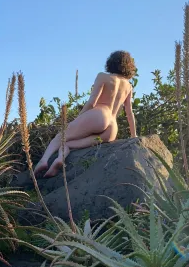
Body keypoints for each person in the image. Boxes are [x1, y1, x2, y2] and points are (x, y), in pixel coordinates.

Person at [35, 50, 137, 178]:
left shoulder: (103, 76)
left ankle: (43, 161)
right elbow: (129, 112)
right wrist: (134, 136)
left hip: (100, 115)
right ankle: (59, 159)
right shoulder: (128, 86)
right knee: (68, 144)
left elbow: (91, 103)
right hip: (112, 129)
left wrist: (77, 119)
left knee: (61, 136)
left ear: (111, 63)